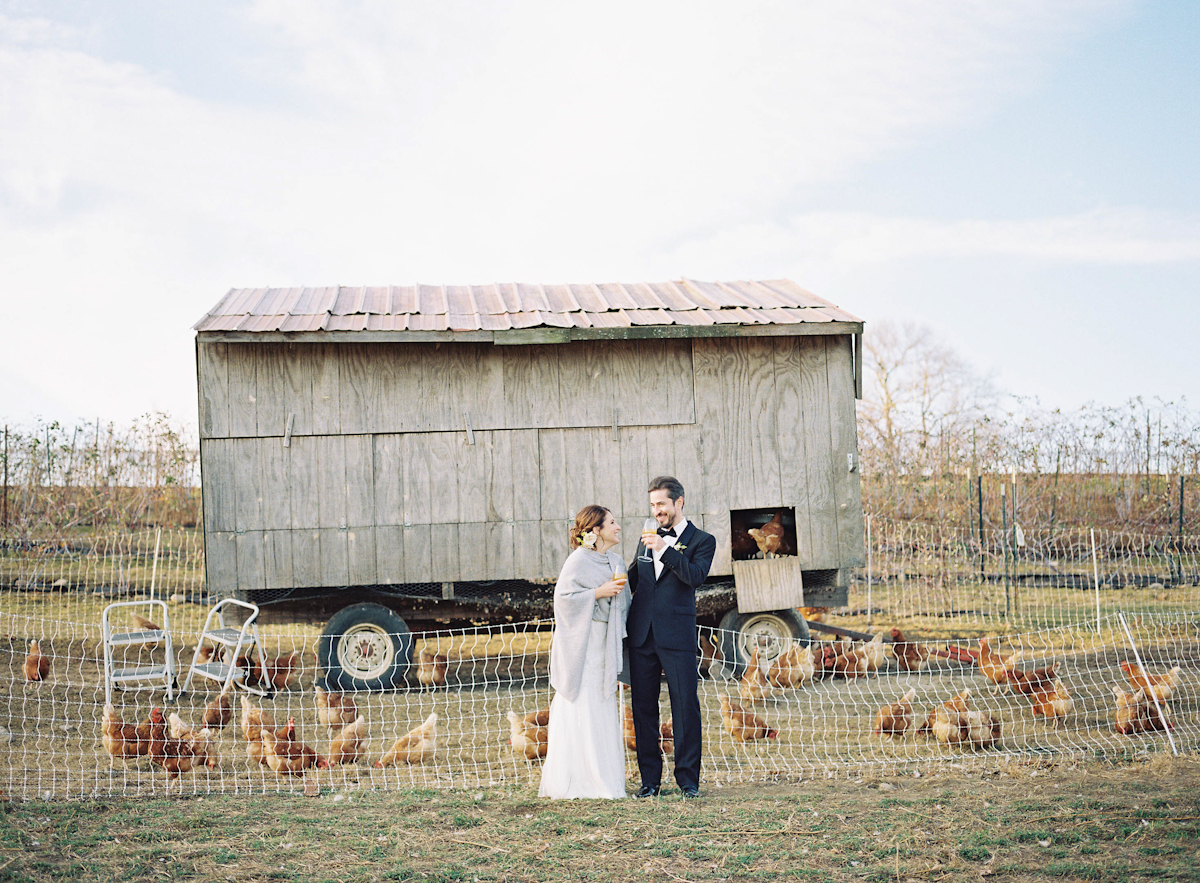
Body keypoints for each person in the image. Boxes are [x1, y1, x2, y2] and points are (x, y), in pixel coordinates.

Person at [625, 476, 716, 799]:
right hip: (642, 635)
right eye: (653, 505)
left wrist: (665, 549)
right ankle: (650, 781)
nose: (657, 511)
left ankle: (688, 781)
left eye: (661, 504)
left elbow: (694, 576)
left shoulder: (703, 540)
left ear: (679, 502)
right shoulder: (647, 537)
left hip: (677, 635)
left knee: (685, 707)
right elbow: (633, 577)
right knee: (643, 709)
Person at [539, 505, 632, 799]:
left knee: (603, 701)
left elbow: (626, 601)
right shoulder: (577, 561)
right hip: (585, 641)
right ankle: (579, 779)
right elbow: (564, 600)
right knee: (584, 698)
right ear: (595, 531)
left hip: (606, 639)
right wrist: (597, 593)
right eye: (613, 522)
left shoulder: (616, 560)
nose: (618, 527)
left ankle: (604, 775)